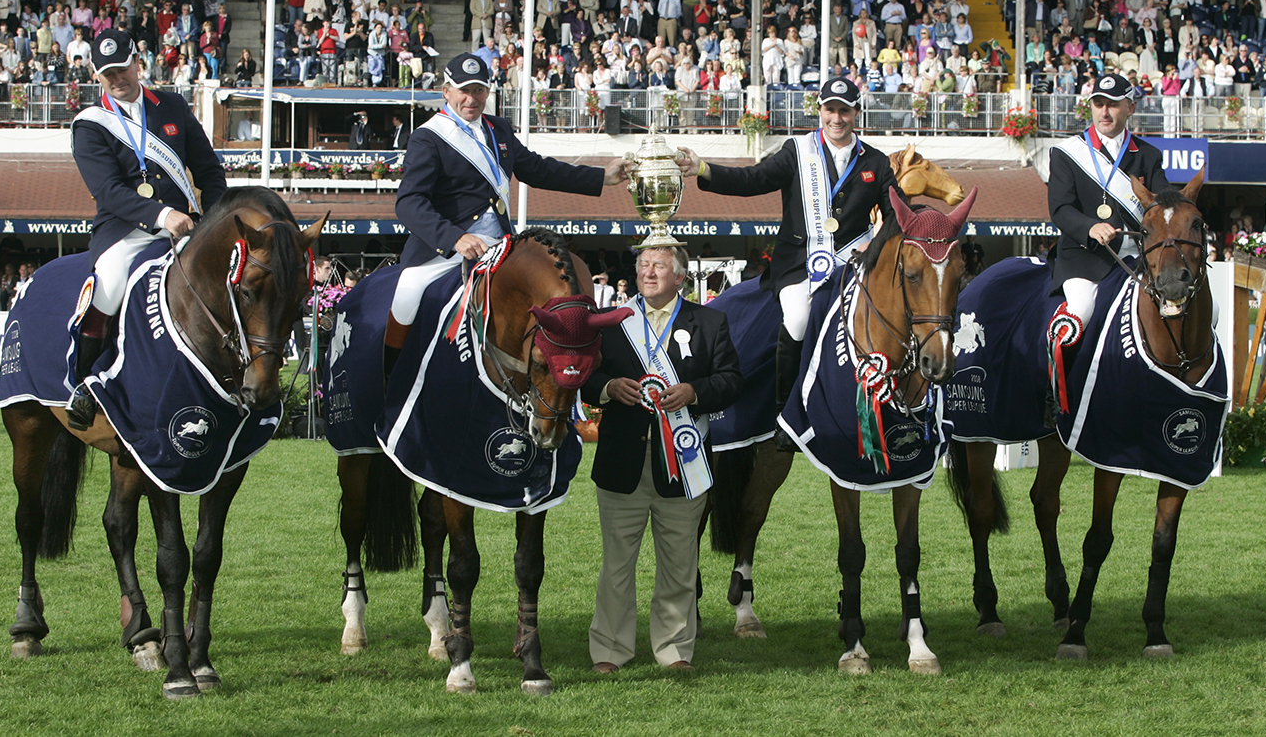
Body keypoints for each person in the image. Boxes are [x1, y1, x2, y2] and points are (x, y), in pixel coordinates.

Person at [676, 77, 906, 451]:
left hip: (853, 262)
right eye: (830, 110)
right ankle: (787, 414)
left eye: (844, 111)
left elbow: (899, 214)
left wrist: (876, 248)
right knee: (798, 318)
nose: (837, 118)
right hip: (800, 263)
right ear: (820, 111)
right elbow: (751, 179)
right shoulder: (796, 151)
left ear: (856, 114)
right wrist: (702, 168)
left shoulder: (876, 162)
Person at [383, 53, 634, 379]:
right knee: (407, 293)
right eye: (463, 90)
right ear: (446, 91)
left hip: (500, 245)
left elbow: (539, 169)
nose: (471, 99)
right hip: (448, 248)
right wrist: (454, 238)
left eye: (479, 91)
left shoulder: (498, 128)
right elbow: (410, 202)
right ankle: (391, 379)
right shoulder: (428, 137)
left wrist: (602, 177)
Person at [585, 245, 743, 673]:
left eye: (658, 266)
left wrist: (695, 392)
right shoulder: (611, 324)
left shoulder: (710, 321)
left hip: (685, 466)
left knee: (679, 565)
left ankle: (674, 651)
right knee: (617, 565)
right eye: (642, 266)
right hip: (622, 465)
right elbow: (582, 378)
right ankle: (609, 650)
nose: (648, 273)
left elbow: (731, 381)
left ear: (680, 278)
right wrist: (607, 388)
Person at [65, 29, 227, 431]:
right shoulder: (89, 125)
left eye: (122, 69)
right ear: (96, 75)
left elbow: (208, 170)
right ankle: (85, 383)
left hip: (186, 227)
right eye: (107, 75)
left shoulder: (171, 106)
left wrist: (215, 218)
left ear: (138, 61)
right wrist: (162, 216)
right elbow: (108, 191)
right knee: (110, 282)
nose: (117, 79)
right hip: (125, 231)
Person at [1047, 73, 1172, 347]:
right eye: (1098, 103)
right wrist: (1090, 227)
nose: (1104, 112)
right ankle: (1055, 386)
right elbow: (1060, 208)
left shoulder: (1149, 155)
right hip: (1085, 258)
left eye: (1113, 104)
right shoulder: (1067, 153)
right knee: (1079, 313)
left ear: (1131, 108)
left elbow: (1164, 204)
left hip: (1140, 260)